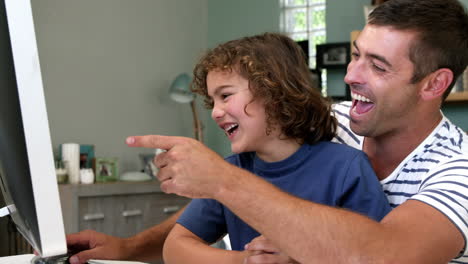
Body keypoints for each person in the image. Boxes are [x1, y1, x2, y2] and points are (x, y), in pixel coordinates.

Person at [67, 0, 468, 263]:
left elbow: (384, 255)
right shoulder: (327, 121)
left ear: (434, 84)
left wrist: (224, 180)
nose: (350, 76)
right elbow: (208, 217)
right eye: (356, 56)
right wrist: (128, 249)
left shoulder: (459, 172)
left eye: (378, 67)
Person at [162, 33, 390, 263]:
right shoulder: (230, 171)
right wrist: (244, 260)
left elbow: (381, 255)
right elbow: (174, 246)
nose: (215, 112)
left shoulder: (346, 168)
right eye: (213, 101)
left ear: (274, 92)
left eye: (225, 95)